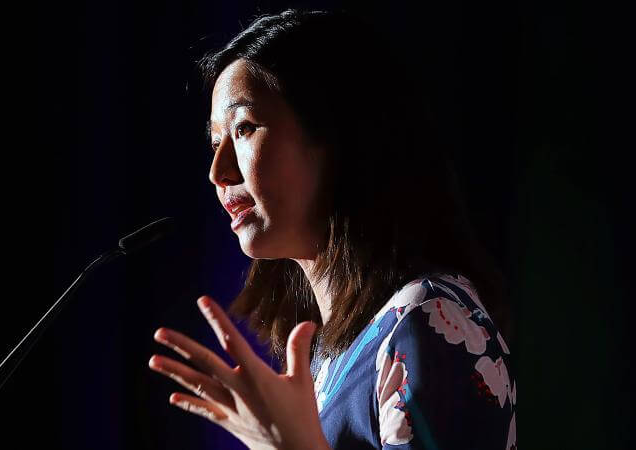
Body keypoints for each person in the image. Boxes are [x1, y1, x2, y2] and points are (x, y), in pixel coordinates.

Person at [148, 8, 517, 450]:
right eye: (214, 142)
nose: (218, 171)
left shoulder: (429, 319)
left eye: (244, 128)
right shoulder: (330, 357)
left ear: (337, 132)